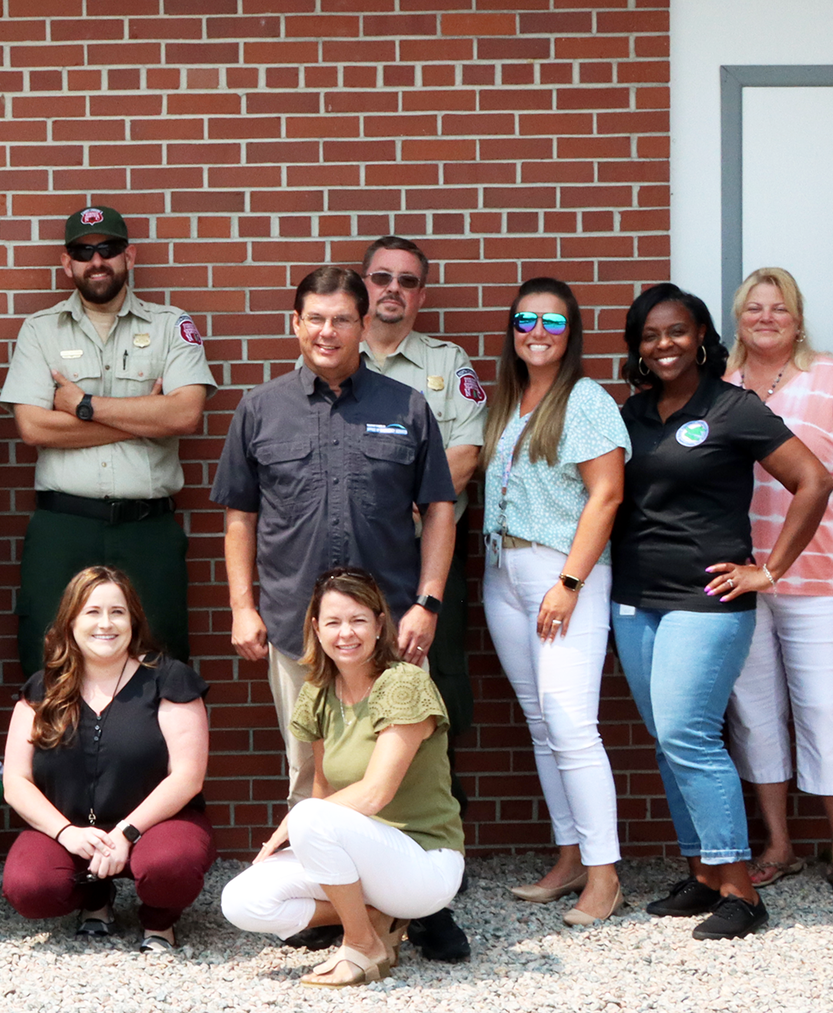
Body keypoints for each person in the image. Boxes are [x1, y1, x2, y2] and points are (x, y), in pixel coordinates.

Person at [211, 265, 467, 960]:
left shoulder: (405, 404)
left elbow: (438, 509)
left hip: (392, 630)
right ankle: (339, 909)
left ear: (363, 325)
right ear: (295, 324)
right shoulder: (260, 409)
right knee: (311, 770)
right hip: (299, 628)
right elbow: (240, 517)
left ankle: (423, 904)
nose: (328, 331)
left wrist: (429, 601)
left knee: (412, 769)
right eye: (316, 318)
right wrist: (242, 606)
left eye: (343, 319)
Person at [612, 283, 829, 941]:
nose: (664, 344)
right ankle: (704, 873)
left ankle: (741, 889)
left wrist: (770, 568)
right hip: (635, 601)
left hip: (706, 602)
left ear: (702, 335)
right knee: (668, 739)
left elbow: (813, 480)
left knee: (689, 733)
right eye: (650, 335)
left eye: (677, 330)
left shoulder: (733, 407)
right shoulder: (631, 413)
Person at [718, 267, 833, 906]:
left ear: (798, 320)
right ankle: (778, 845)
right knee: (754, 713)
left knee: (822, 708)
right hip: (741, 580)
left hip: (820, 580)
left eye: (779, 308)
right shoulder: (723, 388)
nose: (766, 318)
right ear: (738, 319)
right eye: (753, 308)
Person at [219, 569, 464, 988]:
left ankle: (362, 945)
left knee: (309, 816)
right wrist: (306, 831)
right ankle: (372, 918)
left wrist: (295, 824)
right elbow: (323, 787)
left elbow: (375, 793)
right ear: (316, 629)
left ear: (379, 625)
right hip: (357, 857)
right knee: (241, 901)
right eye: (333, 622)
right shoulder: (318, 691)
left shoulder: (403, 683)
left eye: (358, 620)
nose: (345, 633)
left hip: (423, 865)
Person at [0, 205, 216, 671]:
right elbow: (34, 428)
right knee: (47, 659)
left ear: (129, 256)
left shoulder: (170, 325)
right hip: (64, 527)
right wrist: (144, 416)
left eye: (108, 249)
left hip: (147, 529)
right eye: (83, 252)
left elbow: (184, 413)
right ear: (67, 263)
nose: (96, 261)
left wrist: (83, 405)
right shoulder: (40, 330)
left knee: (160, 659)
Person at [474, 278, 628, 926]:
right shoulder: (507, 401)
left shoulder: (585, 399)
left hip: (562, 573)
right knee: (541, 723)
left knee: (570, 723)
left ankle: (605, 875)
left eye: (554, 323)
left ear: (572, 333)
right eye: (526, 321)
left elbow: (607, 494)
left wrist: (568, 583)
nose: (538, 333)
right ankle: (571, 858)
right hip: (502, 571)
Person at [0, 566, 212, 952]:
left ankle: (160, 920)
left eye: (117, 612)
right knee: (30, 887)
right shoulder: (43, 688)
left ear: (133, 621)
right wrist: (67, 833)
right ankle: (94, 898)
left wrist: (127, 832)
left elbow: (187, 776)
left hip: (157, 825)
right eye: (92, 612)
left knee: (170, 866)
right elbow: (15, 780)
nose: (105, 624)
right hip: (73, 827)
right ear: (71, 622)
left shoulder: (168, 679)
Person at [354, 237, 487, 786]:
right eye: (382, 278)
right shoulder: (335, 351)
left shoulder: (447, 363)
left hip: (429, 551)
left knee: (440, 676)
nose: (393, 289)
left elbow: (467, 452)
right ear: (363, 284)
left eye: (407, 281)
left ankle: (440, 811)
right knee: (354, 672)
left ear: (421, 296)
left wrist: (400, 499)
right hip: (356, 553)